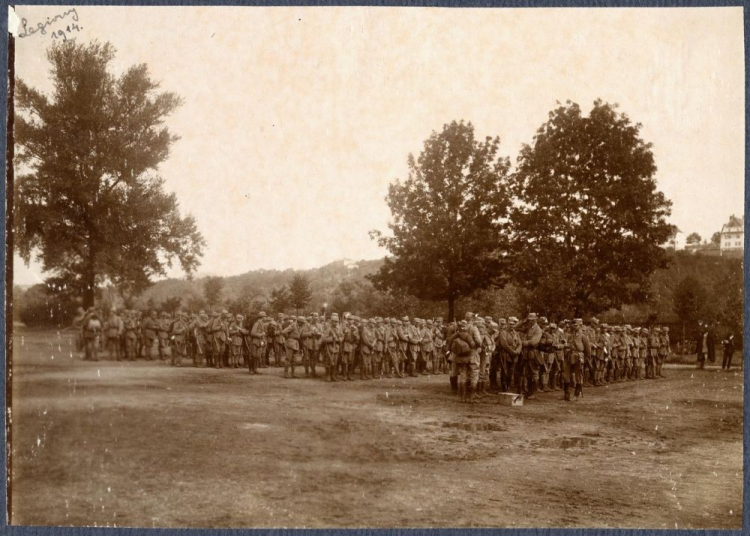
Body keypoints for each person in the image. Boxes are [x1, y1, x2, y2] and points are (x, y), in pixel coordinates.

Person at [521, 313, 543, 399]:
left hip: (534, 354)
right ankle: (529, 392)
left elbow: (534, 342)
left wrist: (525, 342)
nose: (530, 321)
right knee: (527, 374)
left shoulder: (538, 329)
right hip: (527, 353)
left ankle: (534, 392)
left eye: (532, 320)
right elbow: (516, 327)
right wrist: (523, 321)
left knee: (534, 373)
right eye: (529, 320)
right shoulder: (529, 328)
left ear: (535, 320)